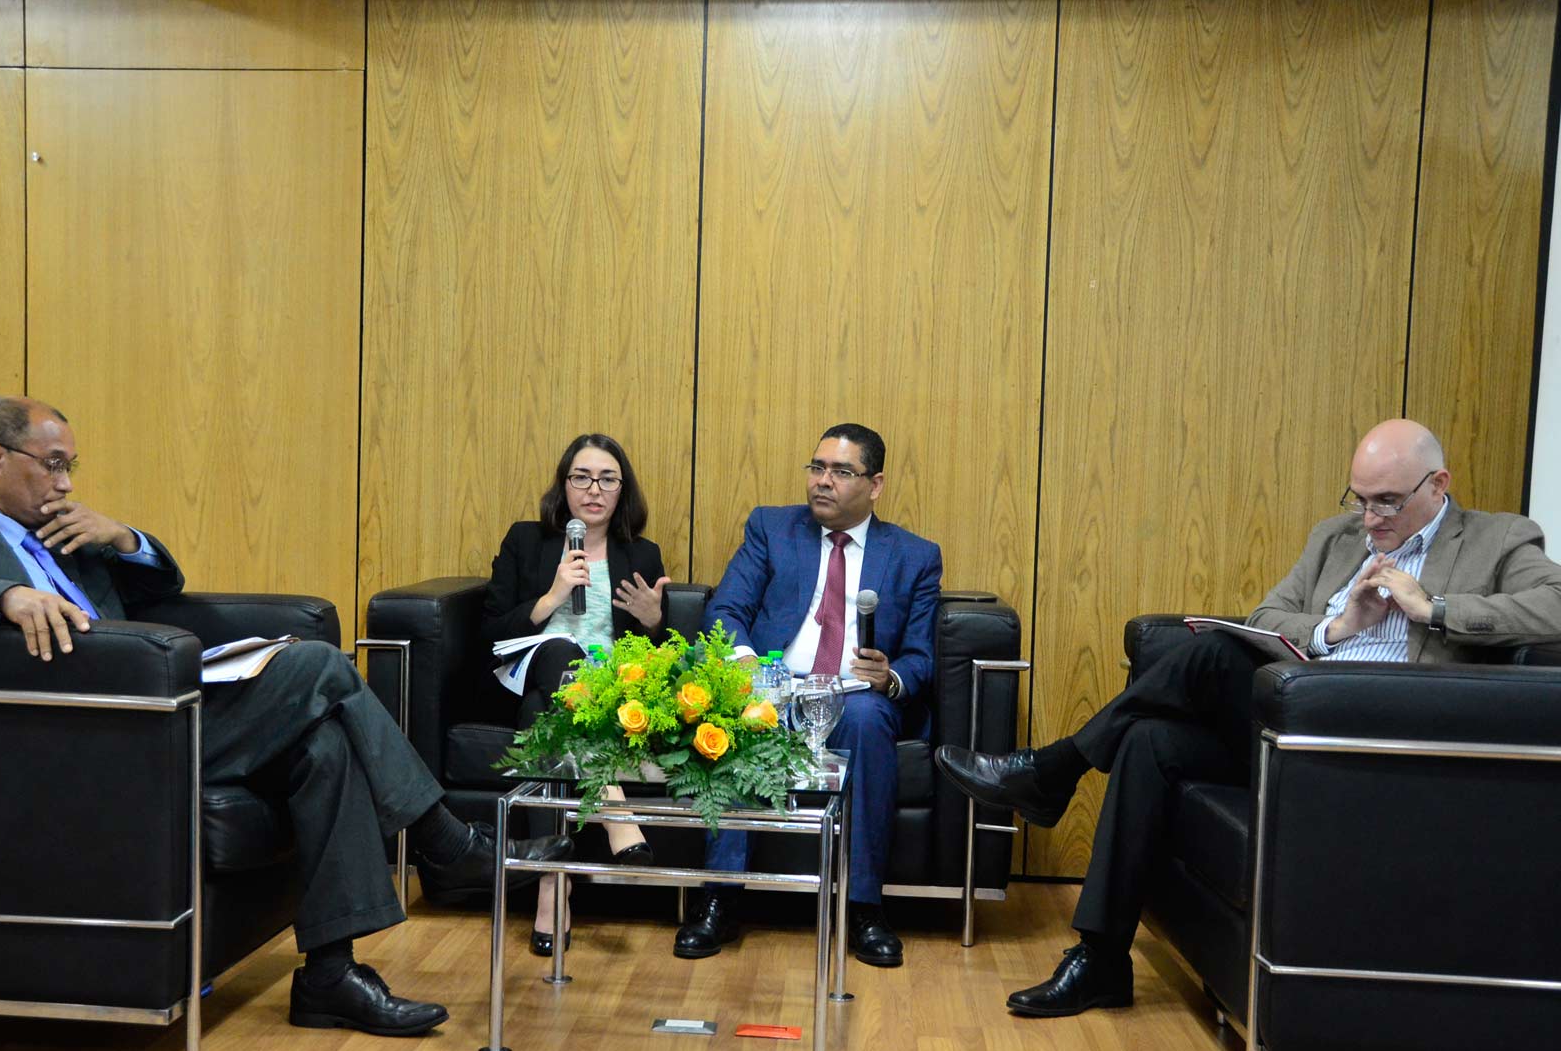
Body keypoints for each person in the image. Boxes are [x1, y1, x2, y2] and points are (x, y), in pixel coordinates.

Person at [0, 397, 572, 1038]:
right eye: (53, 465)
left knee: (323, 742)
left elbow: (166, 581)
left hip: (162, 705)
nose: (66, 484)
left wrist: (122, 537)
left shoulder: (67, 531)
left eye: (72, 467)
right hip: (94, 733)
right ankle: (445, 840)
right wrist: (5, 599)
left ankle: (331, 975)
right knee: (322, 667)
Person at [937, 418, 1561, 1016]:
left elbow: (1554, 607)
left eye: (1389, 503)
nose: (1371, 519)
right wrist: (1336, 627)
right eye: (1361, 499)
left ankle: (1056, 768)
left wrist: (1434, 608)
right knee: (1151, 739)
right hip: (1292, 722)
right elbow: (1268, 617)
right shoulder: (1336, 538)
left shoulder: (1498, 539)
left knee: (1203, 658)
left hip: (1379, 743)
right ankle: (1101, 959)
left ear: (1438, 486)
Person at [683, 423, 942, 967]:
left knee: (869, 720)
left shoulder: (914, 556)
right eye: (817, 468)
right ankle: (719, 898)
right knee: (737, 714)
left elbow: (921, 656)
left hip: (854, 695)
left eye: (841, 472)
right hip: (774, 684)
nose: (823, 482)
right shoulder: (772, 529)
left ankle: (864, 906)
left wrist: (890, 676)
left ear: (875, 485)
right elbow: (726, 610)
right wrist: (749, 668)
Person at [483, 433, 671, 955]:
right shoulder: (526, 541)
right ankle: (613, 805)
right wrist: (552, 596)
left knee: (541, 713)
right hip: (533, 663)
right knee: (557, 653)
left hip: (607, 687)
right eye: (581, 477)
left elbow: (652, 651)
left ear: (622, 490)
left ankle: (551, 883)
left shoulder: (642, 553)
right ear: (563, 487)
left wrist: (656, 621)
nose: (594, 489)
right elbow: (492, 630)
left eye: (607, 479)